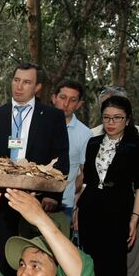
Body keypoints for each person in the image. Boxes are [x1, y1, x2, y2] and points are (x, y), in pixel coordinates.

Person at [0, 62, 69, 276]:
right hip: (2, 196)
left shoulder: (52, 117)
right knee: (2, 250)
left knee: (32, 254)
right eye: (16, 80)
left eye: (27, 82)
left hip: (36, 198)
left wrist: (52, 195)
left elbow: (61, 156)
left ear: (37, 87)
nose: (19, 87)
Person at [77, 95, 139, 276]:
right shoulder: (93, 142)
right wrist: (78, 208)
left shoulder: (137, 145)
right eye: (107, 117)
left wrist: (135, 218)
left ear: (127, 120)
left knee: (117, 267)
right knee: (93, 267)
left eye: (117, 118)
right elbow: (87, 180)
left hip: (119, 209)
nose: (111, 123)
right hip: (91, 207)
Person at [49, 79, 92, 224]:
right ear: (54, 98)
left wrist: (71, 193)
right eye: (62, 97)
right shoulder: (38, 124)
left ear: (79, 104)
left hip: (64, 205)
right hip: (32, 200)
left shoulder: (85, 134)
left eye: (72, 100)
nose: (66, 104)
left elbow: (85, 173)